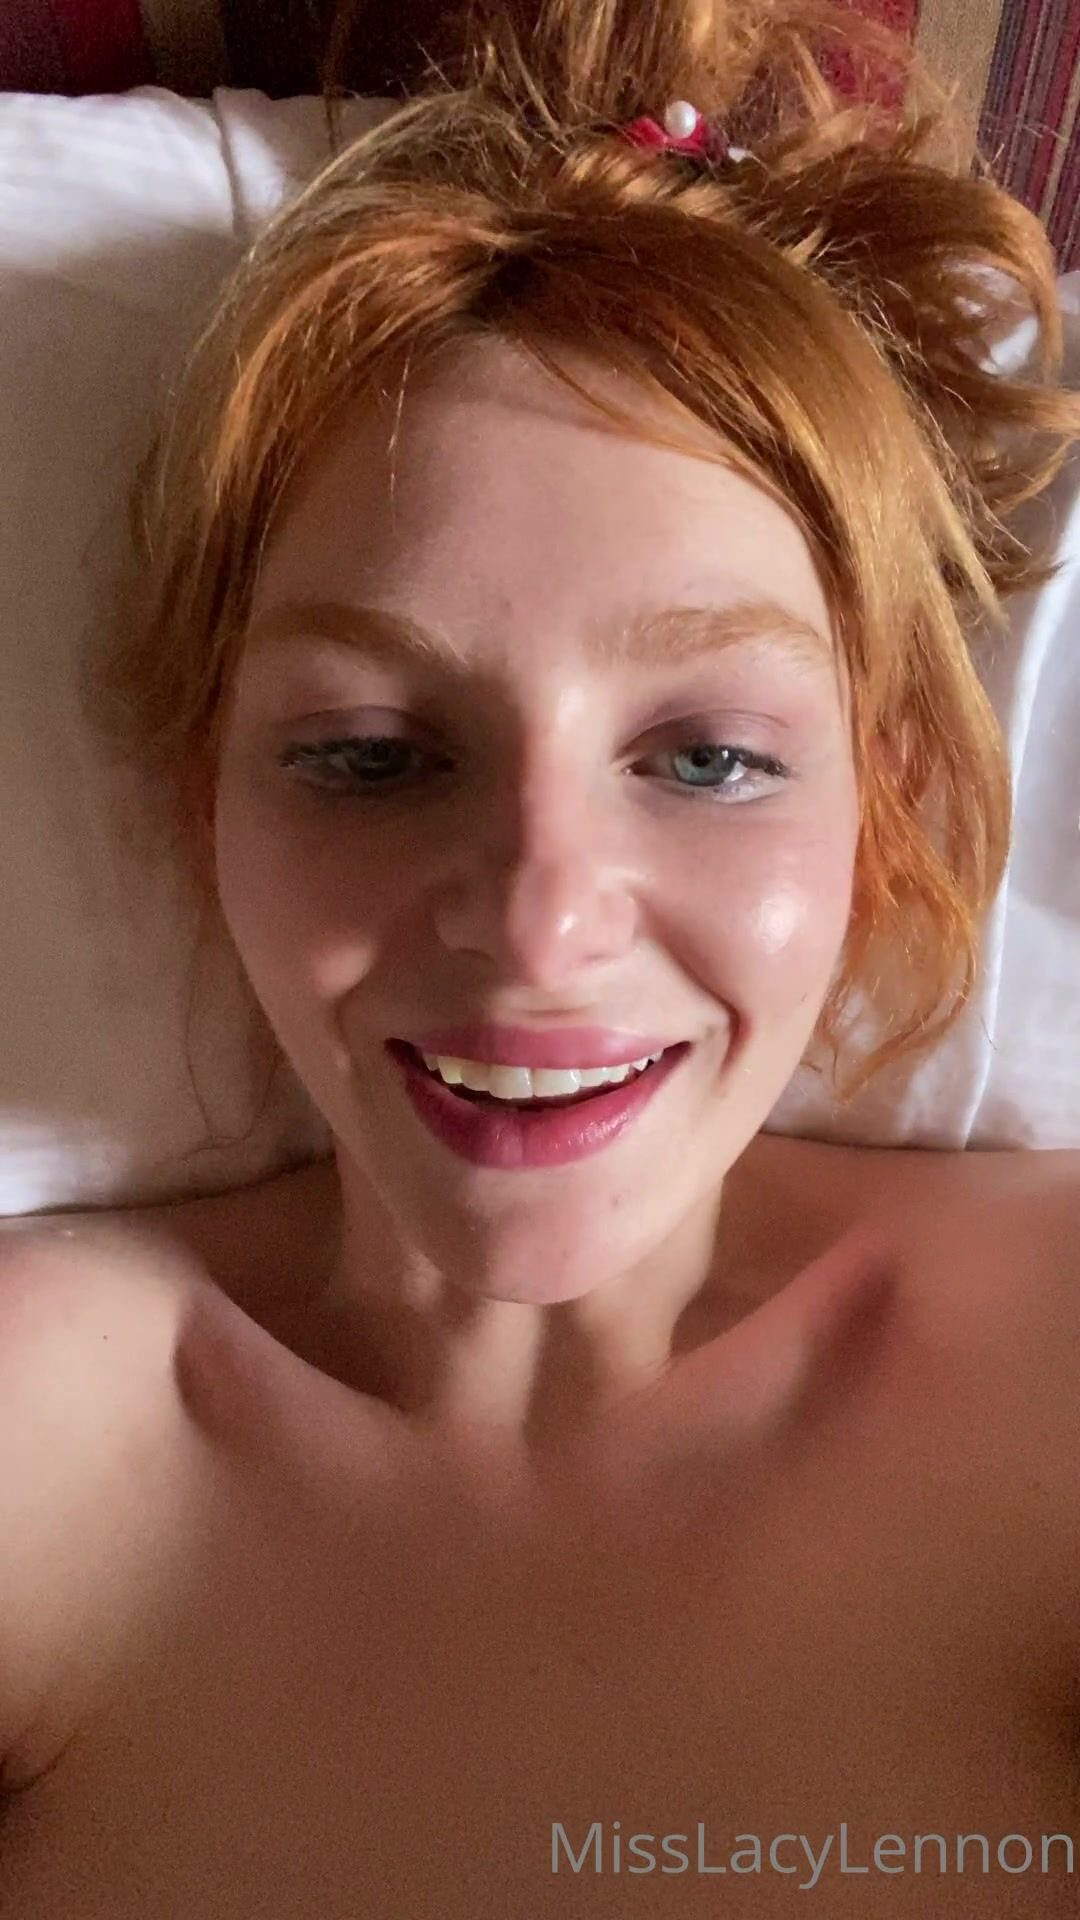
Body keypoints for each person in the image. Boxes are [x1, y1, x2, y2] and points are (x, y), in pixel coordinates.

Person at [3, 0, 1079, 1912]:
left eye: (708, 758)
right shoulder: (40, 1436)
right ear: (199, 799)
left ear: (888, 800)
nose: (533, 918)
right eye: (370, 755)